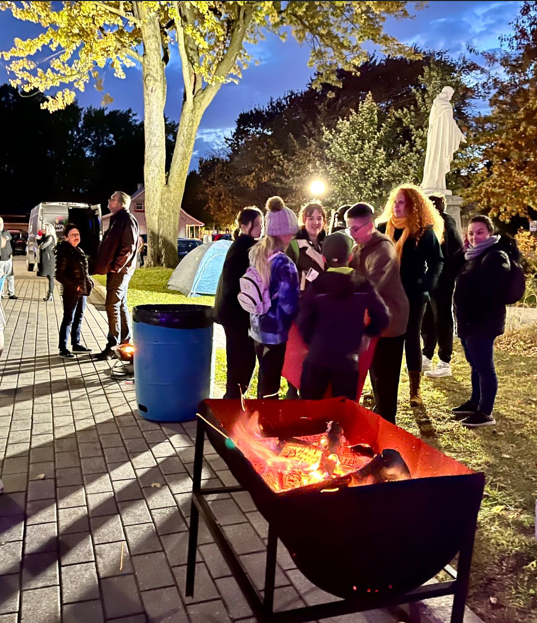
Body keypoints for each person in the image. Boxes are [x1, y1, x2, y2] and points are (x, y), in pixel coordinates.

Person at [297, 232, 390, 401]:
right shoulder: (363, 284)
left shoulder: (316, 286)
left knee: (309, 410)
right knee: (343, 415)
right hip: (347, 360)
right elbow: (383, 317)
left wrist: (313, 341)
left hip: (318, 357)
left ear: (324, 258)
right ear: (351, 256)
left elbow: (304, 320)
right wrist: (366, 332)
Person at [376, 185, 444, 407]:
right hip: (385, 295)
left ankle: (415, 390)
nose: (396, 206)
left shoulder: (422, 231)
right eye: (395, 201)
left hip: (412, 295)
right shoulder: (382, 228)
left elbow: (437, 261)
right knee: (385, 342)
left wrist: (425, 285)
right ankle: (383, 391)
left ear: (413, 205)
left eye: (402, 202)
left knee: (411, 339)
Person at [347, 203, 409, 423]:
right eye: (349, 229)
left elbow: (371, 285)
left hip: (390, 320)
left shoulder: (383, 249)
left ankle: (387, 421)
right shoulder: (359, 247)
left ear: (370, 225)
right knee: (375, 372)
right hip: (372, 320)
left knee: (386, 376)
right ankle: (380, 412)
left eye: (355, 229)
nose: (352, 234)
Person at [452, 216, 512, 428]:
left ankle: (485, 412)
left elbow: (491, 292)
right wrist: (463, 250)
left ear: (489, 233)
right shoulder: (473, 255)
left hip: (482, 323)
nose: (475, 237)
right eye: (470, 233)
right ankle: (475, 402)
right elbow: (452, 269)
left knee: (485, 367)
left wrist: (474, 314)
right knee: (475, 364)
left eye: (479, 232)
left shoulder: (495, 256)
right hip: (468, 322)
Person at [249, 196, 299, 399]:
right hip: (275, 332)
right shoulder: (285, 264)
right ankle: (266, 421)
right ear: (285, 232)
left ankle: (261, 414)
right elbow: (289, 304)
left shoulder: (256, 253)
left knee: (265, 375)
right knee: (272, 380)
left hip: (256, 327)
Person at [214, 207, 263, 398]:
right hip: (237, 313)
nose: (261, 228)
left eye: (262, 224)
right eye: (257, 224)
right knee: (242, 358)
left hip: (232, 312)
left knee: (238, 357)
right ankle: (233, 398)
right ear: (244, 226)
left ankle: (233, 396)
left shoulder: (241, 244)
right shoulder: (246, 247)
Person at [284, 201, 327, 399]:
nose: (315, 223)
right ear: (304, 220)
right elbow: (285, 275)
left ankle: (311, 391)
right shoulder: (294, 245)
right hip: (301, 307)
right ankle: (293, 390)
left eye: (319, 218)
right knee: (297, 351)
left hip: (323, 307)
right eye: (311, 218)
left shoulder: (328, 244)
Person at [92, 191, 139, 360]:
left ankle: (113, 346)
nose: (109, 200)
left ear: (121, 204)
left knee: (112, 306)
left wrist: (116, 267)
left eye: (112, 198)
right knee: (120, 305)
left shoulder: (126, 220)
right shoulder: (118, 219)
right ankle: (124, 342)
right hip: (118, 270)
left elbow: (129, 247)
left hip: (120, 271)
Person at [421, 194, 463, 377]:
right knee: (427, 318)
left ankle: (445, 361)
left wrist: (446, 276)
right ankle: (427, 355)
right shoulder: (427, 225)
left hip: (442, 281)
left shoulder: (447, 223)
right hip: (429, 280)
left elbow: (455, 252)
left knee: (442, 318)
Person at [55, 224, 93, 358]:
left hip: (82, 291)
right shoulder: (64, 251)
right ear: (66, 237)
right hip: (71, 292)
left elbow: (84, 271)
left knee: (79, 317)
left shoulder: (79, 250)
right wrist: (74, 286)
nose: (76, 237)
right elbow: (59, 274)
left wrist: (88, 282)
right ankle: (62, 347)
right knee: (68, 318)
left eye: (78, 234)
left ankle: (76, 344)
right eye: (73, 235)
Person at [37, 223, 57, 302]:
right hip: (46, 258)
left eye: (44, 229)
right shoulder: (45, 237)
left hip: (49, 259)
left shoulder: (50, 237)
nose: (42, 230)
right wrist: (39, 239)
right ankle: (50, 294)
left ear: (48, 230)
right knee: (49, 277)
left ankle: (50, 294)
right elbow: (40, 245)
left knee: (51, 277)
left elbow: (42, 246)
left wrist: (40, 241)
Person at [0, 218, 17, 300]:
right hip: (0, 260)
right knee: (0, 277)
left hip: (8, 258)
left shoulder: (5, 232)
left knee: (10, 276)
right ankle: (1, 293)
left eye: (1, 223)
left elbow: (8, 238)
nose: (0, 225)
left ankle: (11, 293)